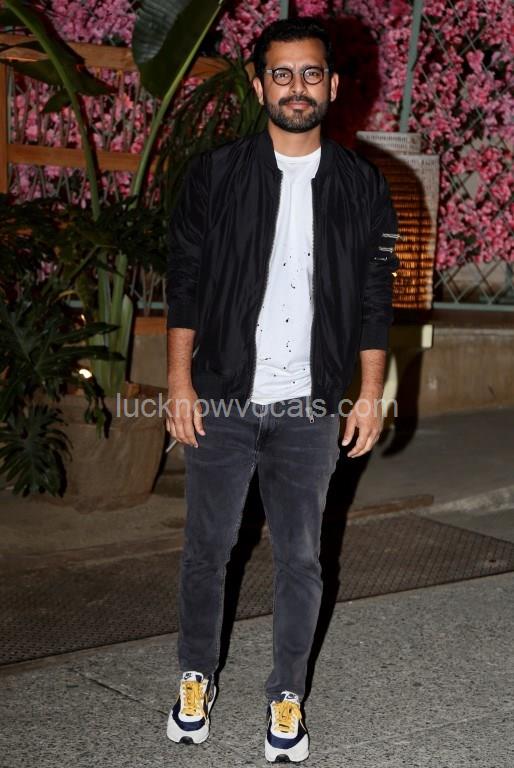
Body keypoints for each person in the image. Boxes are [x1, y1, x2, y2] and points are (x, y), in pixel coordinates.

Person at [164, 16, 399, 764]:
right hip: (223, 394)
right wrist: (179, 381)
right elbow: (184, 284)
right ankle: (195, 675)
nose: (297, 88)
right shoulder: (215, 175)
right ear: (259, 83)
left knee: (301, 557)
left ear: (333, 84)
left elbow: (375, 298)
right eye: (282, 74)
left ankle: (286, 693)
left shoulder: (362, 185)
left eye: (311, 74)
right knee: (208, 550)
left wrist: (368, 393)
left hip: (310, 404)